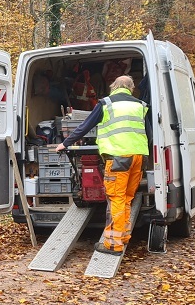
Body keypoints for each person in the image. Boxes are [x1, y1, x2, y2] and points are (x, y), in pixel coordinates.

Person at [55, 75, 149, 255]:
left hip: (119, 158)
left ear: (113, 87)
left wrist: (65, 143)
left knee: (116, 198)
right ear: (131, 88)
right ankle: (123, 237)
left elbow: (85, 126)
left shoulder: (106, 104)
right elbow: (148, 132)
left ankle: (113, 245)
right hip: (139, 157)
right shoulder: (140, 105)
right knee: (127, 198)